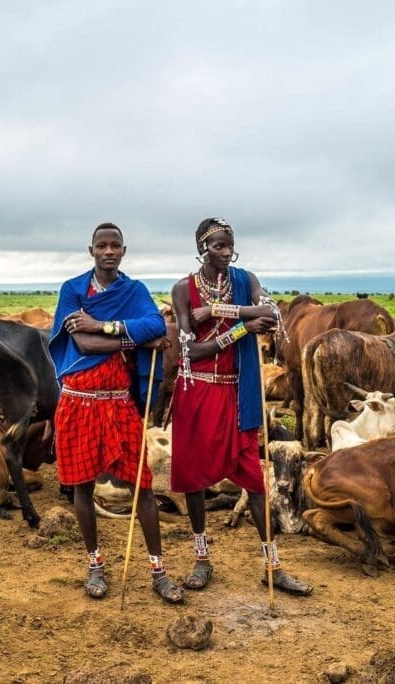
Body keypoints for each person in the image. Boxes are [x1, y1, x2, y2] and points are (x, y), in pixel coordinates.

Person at [169, 217, 312, 596]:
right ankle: (201, 559)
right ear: (202, 248)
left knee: (253, 476)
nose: (227, 252)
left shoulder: (246, 280)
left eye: (230, 245)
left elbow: (272, 315)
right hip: (197, 393)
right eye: (218, 246)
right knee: (195, 480)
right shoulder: (182, 289)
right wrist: (241, 327)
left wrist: (219, 313)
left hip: (237, 394)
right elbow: (190, 351)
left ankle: (273, 564)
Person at [49, 222, 184, 603]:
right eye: (101, 245)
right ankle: (95, 565)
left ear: (124, 250)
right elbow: (83, 344)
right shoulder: (73, 290)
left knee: (141, 483)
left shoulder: (134, 290)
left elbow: (156, 323)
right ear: (90, 250)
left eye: (115, 246)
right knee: (82, 485)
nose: (108, 251)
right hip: (78, 401)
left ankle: (158, 570)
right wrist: (130, 338)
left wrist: (103, 325)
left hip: (120, 401)